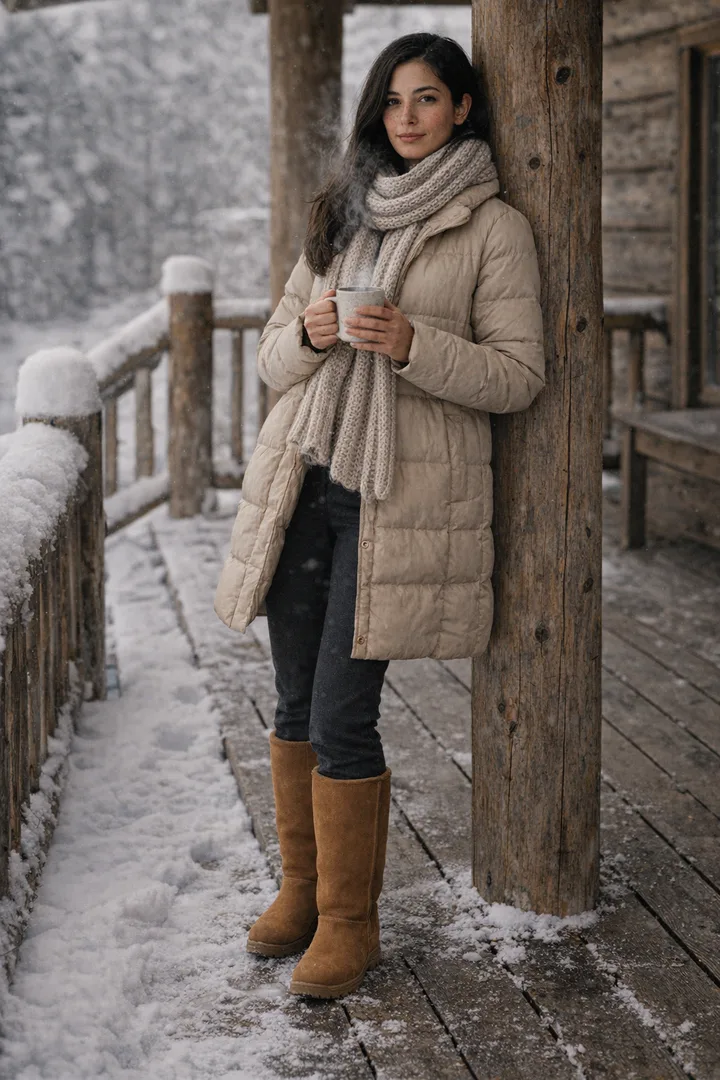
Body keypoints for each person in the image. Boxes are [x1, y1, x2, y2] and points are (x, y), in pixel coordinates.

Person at [214, 32, 545, 1000]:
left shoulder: (493, 228)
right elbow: (272, 360)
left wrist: (411, 344)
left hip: (398, 501)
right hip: (304, 484)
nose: (408, 117)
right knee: (291, 704)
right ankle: (302, 893)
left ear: (463, 109)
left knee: (342, 714)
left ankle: (350, 925)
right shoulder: (340, 215)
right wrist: (312, 334)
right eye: (394, 101)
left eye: (427, 98)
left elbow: (518, 376)